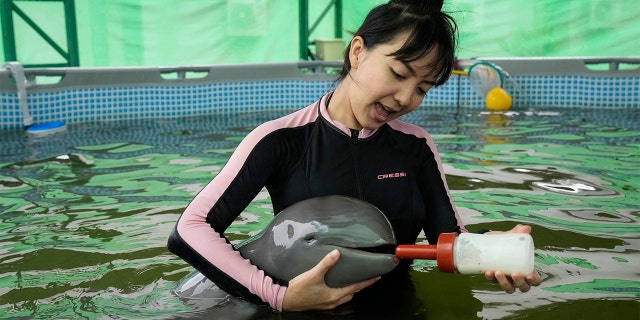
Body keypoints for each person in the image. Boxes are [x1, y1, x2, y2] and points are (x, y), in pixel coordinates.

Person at [167, 0, 542, 312]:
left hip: (395, 307)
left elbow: (448, 239)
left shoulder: (415, 147)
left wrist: (492, 251)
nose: (406, 98)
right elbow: (190, 229)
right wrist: (279, 297)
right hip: (304, 312)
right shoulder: (281, 140)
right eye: (398, 73)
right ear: (358, 52)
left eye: (423, 88)